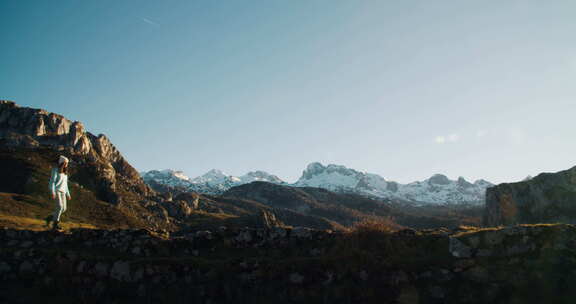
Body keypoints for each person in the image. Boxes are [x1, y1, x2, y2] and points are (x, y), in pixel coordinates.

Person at [45, 155, 72, 231]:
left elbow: (65, 185)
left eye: (67, 163)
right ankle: (55, 224)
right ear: (62, 163)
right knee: (59, 207)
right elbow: (52, 182)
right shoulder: (55, 170)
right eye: (65, 163)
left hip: (63, 192)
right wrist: (52, 191)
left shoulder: (65, 173)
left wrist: (68, 194)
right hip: (57, 191)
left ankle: (50, 217)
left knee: (64, 209)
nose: (67, 164)